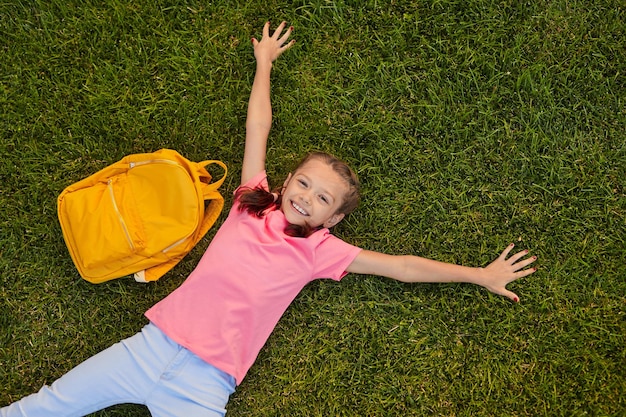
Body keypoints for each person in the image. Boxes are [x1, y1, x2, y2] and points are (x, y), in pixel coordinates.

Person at [1, 21, 537, 417]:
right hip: (148, 350)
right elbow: (259, 126)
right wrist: (264, 64)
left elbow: (402, 267)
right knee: (43, 408)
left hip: (204, 388)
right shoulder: (249, 200)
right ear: (284, 183)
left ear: (335, 219)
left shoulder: (323, 253)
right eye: (303, 183)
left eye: (323, 198)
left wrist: (480, 275)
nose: (306, 197)